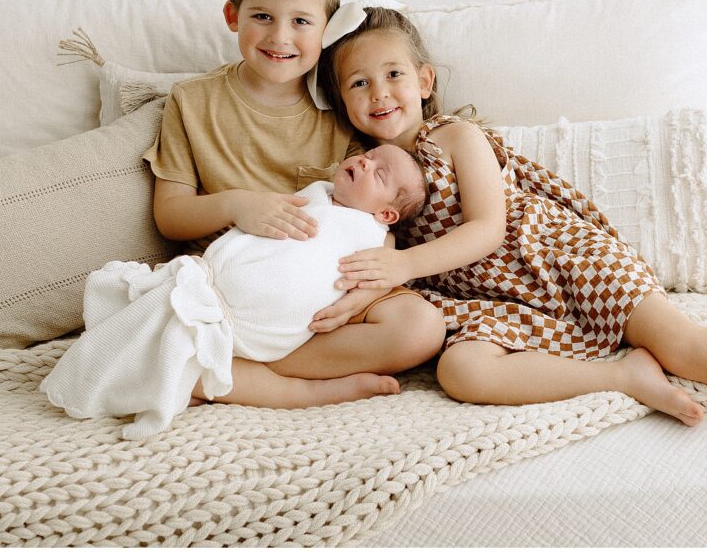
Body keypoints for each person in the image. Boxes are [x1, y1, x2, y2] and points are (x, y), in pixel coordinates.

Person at [315, 5, 707, 538]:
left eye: (392, 74)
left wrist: (402, 264)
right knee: (462, 373)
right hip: (491, 300)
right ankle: (623, 375)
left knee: (678, 340)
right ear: (342, 101)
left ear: (425, 81)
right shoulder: (359, 174)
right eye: (358, 82)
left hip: (557, 258)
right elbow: (357, 256)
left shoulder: (453, 139)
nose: (380, 92)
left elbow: (488, 228)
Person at [140, 0, 445, 411]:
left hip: (324, 293)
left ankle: (247, 372)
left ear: (325, 31)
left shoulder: (344, 103)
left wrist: (372, 284)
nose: (280, 37)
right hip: (236, 297)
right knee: (155, 345)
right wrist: (236, 204)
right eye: (262, 16)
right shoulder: (193, 101)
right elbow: (170, 216)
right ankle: (298, 387)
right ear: (232, 16)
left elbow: (375, 219)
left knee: (421, 328)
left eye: (301, 21)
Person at [41, 144, 429, 439]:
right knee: (142, 334)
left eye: (379, 174)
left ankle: (314, 393)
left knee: (187, 354)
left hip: (268, 330)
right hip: (210, 286)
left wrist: (363, 291)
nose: (364, 162)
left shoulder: (374, 233)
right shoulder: (318, 191)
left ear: (387, 214)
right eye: (369, 155)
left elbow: (386, 253)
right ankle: (184, 376)